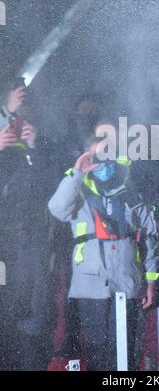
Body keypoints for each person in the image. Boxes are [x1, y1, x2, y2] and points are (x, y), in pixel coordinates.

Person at [48, 136, 159, 371]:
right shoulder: (77, 191)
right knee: (97, 350)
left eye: (107, 157)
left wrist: (150, 281)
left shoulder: (131, 194)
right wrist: (77, 173)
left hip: (127, 284)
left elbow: (149, 239)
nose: (103, 164)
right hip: (90, 288)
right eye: (96, 158)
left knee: (126, 350)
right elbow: (57, 209)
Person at [0, 85, 53, 370]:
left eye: (23, 120)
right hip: (3, 244)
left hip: (31, 242)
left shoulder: (38, 152)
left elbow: (47, 190)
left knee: (32, 311)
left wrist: (33, 147)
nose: (18, 125)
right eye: (13, 118)